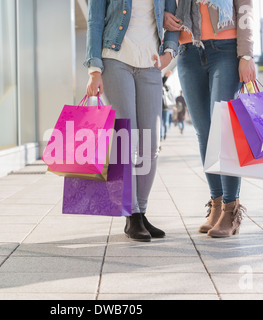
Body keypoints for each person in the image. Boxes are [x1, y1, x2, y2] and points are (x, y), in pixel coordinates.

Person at [86, 0, 178, 242]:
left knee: (150, 144)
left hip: (150, 64)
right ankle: (132, 214)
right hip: (115, 59)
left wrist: (169, 51)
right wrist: (94, 69)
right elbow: (95, 21)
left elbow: (174, 18)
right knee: (127, 140)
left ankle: (142, 211)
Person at [164, 0, 256, 238]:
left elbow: (245, 8)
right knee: (204, 132)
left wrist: (246, 54)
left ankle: (231, 209)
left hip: (225, 49)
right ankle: (216, 205)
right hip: (187, 50)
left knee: (224, 130)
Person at [161, 70, 174, 141]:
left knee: (164, 122)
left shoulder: (166, 88)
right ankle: (160, 136)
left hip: (165, 108)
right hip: (161, 107)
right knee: (161, 122)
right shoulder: (161, 86)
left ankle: (164, 134)